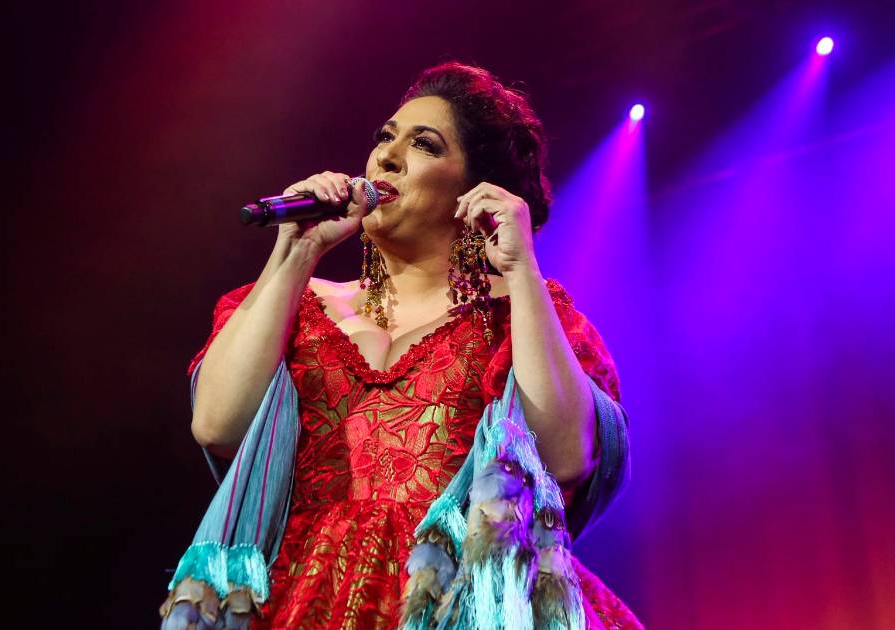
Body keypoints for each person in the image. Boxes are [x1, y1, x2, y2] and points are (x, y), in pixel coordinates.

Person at [173, 62, 641, 629]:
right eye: (384, 138)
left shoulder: (519, 314)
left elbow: (565, 458)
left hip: (456, 602)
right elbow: (217, 424)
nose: (386, 158)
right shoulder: (301, 304)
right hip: (298, 596)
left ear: (477, 189)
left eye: (423, 144)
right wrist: (296, 251)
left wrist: (521, 271)